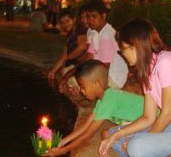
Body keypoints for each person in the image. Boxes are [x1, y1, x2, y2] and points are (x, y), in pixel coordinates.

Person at [99, 18, 171, 157]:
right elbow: (148, 117)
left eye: (122, 50)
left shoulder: (166, 61)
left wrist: (142, 139)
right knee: (109, 135)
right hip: (168, 125)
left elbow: (167, 112)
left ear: (135, 46)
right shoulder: (148, 70)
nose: (123, 55)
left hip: (168, 121)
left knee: (135, 147)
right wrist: (118, 135)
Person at [43, 60, 144, 156]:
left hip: (148, 122)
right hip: (135, 123)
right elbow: (85, 126)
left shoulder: (108, 101)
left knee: (125, 145)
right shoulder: (103, 98)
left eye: (83, 87)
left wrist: (63, 151)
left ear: (97, 84)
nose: (82, 91)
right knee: (105, 134)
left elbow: (87, 135)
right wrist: (62, 142)